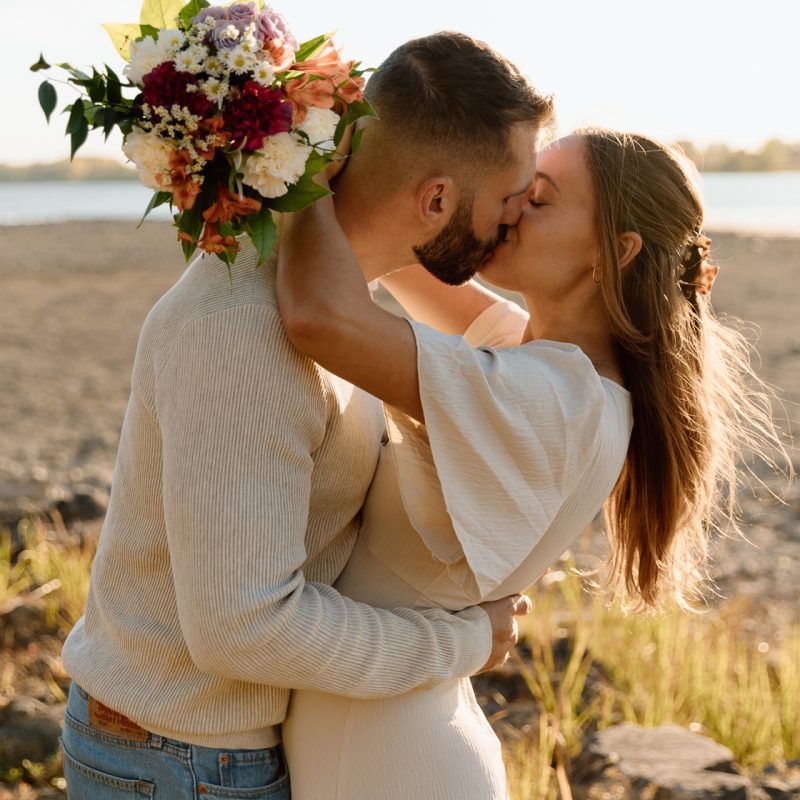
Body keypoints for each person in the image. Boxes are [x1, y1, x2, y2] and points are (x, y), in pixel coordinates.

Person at [58, 33, 554, 799]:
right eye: (510, 196)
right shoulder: (244, 332)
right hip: (179, 758)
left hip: (205, 745)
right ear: (436, 201)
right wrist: (462, 639)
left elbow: (514, 346)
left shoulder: (343, 298)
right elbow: (243, 626)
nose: (517, 216)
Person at [276, 128, 786, 798]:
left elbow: (319, 316)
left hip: (383, 755)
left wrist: (286, 162)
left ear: (614, 254)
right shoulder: (542, 364)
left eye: (537, 198)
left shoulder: (550, 399)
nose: (510, 207)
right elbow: (390, 252)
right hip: (394, 727)